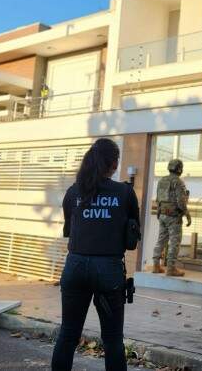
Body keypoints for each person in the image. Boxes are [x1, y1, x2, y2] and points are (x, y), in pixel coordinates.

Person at [51, 138, 139, 371]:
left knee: (68, 335)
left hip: (75, 268)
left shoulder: (73, 192)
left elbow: (69, 231)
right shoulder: (125, 192)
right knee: (112, 340)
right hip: (109, 272)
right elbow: (132, 240)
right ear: (113, 163)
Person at [151, 159, 190, 277]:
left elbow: (158, 199)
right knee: (174, 242)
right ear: (179, 169)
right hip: (174, 216)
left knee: (161, 240)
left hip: (162, 214)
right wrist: (187, 214)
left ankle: (156, 265)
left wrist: (159, 212)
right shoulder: (178, 182)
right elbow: (181, 201)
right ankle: (171, 268)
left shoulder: (162, 180)